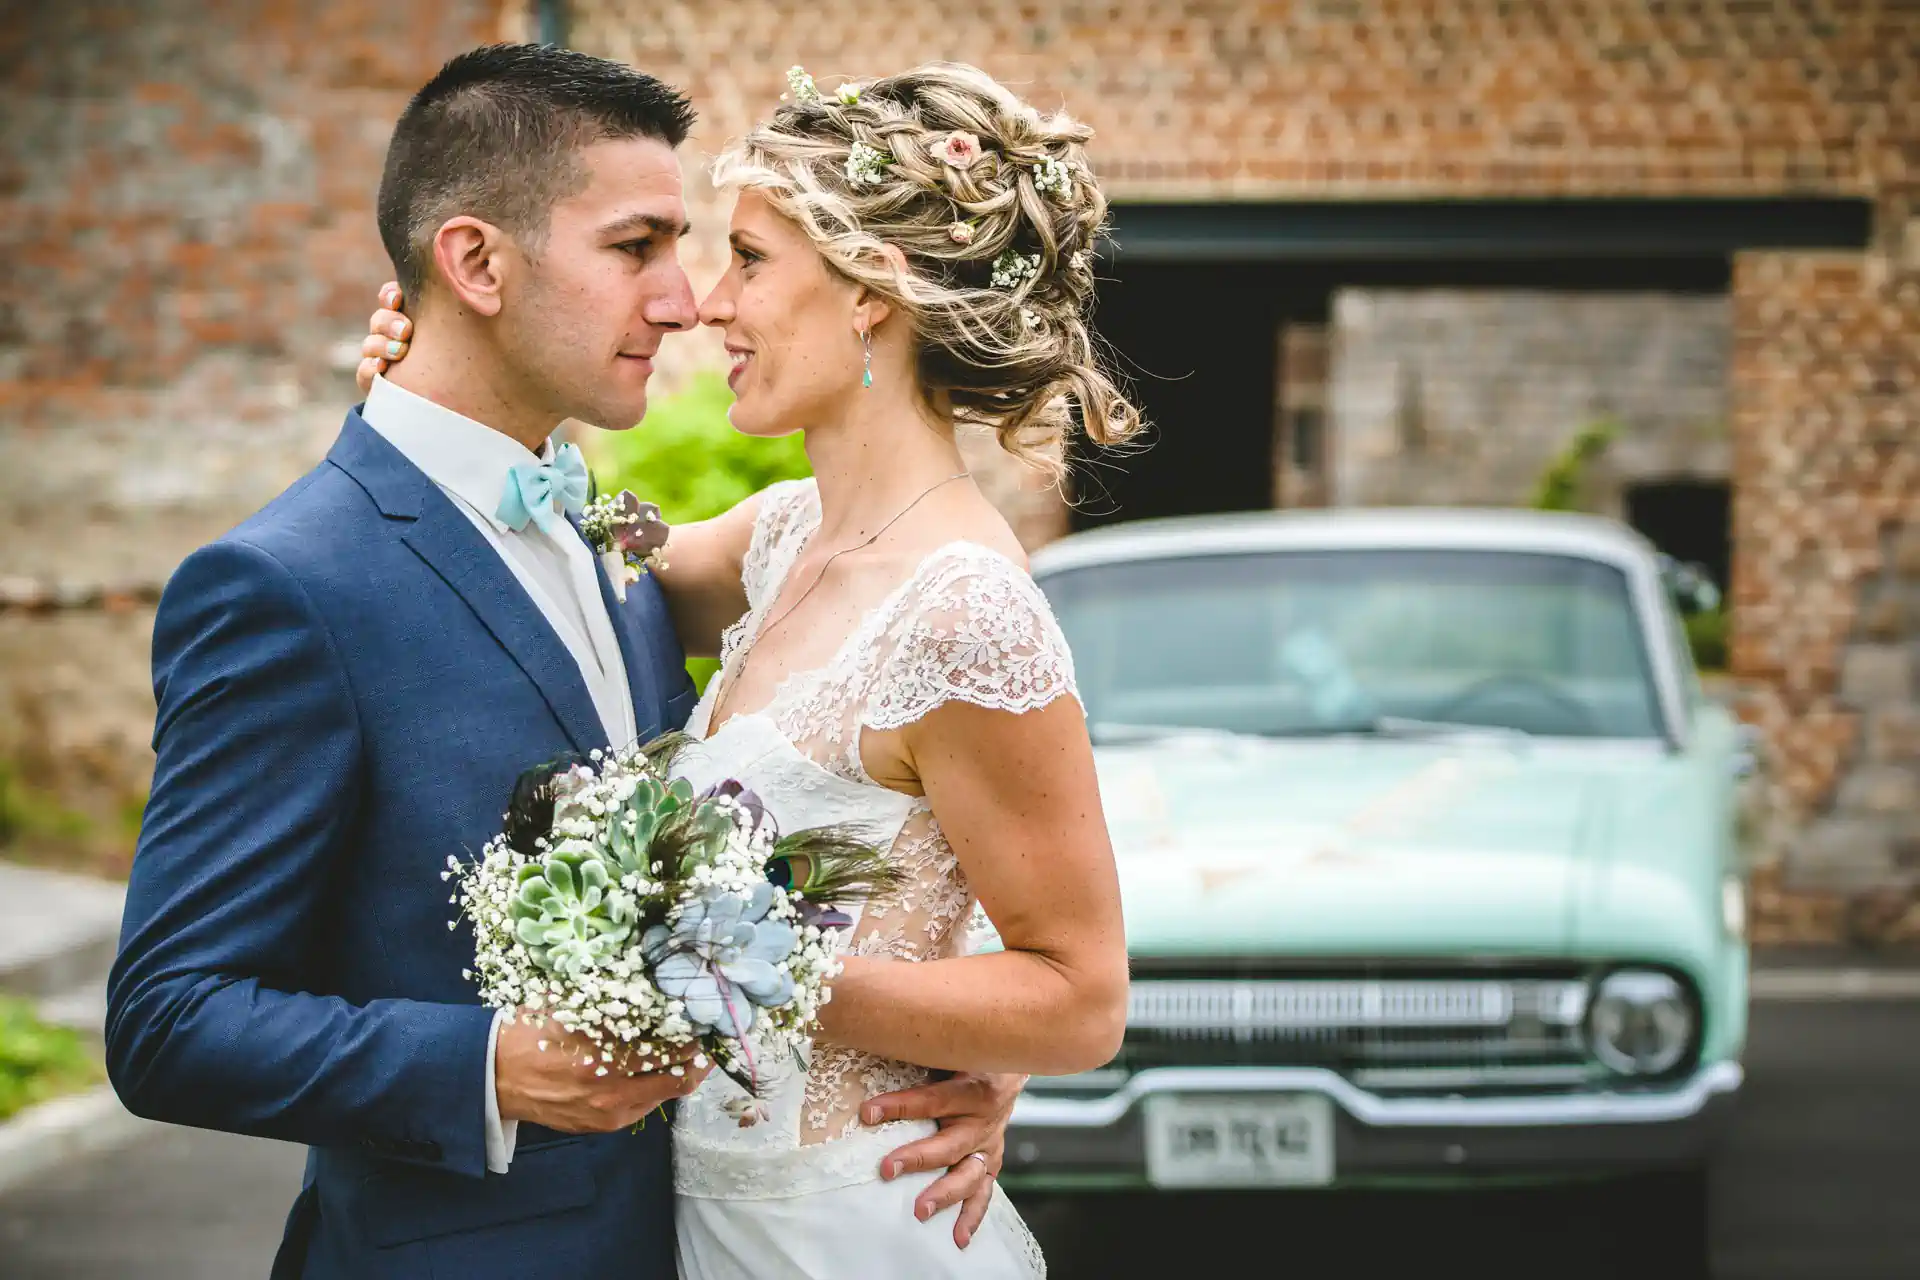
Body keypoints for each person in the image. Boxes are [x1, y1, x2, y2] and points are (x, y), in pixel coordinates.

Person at [105, 45, 1042, 1280]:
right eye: (635, 247)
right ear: (477, 263)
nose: (684, 301)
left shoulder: (612, 538)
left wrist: (974, 1043)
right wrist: (488, 1065)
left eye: (693, 250)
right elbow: (169, 1016)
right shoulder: (287, 588)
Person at [358, 57, 1139, 1279]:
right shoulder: (779, 537)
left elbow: (1079, 998)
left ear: (870, 291)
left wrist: (736, 962)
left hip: (844, 1226)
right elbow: (565, 552)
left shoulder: (968, 608)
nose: (709, 306)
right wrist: (428, 395)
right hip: (701, 1219)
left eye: (752, 261)